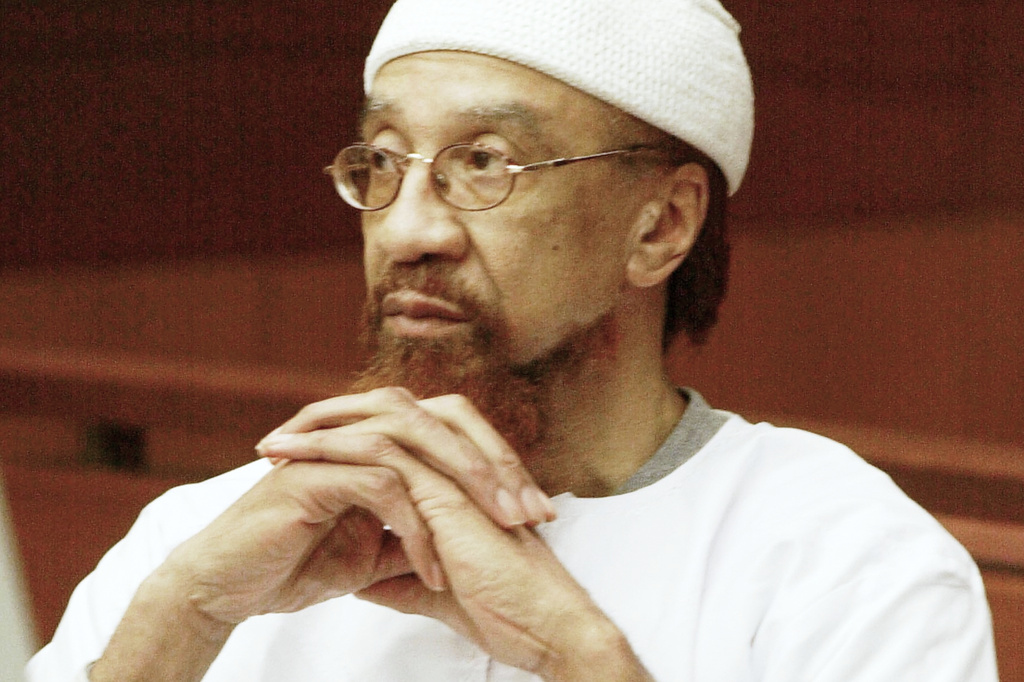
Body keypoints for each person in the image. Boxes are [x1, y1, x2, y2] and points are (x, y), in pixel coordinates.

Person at [28, 0, 998, 680]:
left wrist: (579, 656)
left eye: (484, 164)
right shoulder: (206, 546)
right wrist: (182, 619)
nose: (407, 231)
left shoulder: (848, 568)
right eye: (383, 164)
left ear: (660, 224)